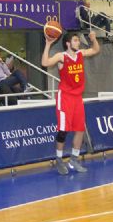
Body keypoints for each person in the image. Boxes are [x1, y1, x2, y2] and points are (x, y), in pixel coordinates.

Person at [41, 30, 100, 175]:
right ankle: (59, 160)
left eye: (78, 40)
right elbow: (45, 63)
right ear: (68, 43)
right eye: (75, 40)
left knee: (79, 129)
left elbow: (96, 50)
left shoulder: (80, 54)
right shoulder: (61, 56)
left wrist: (93, 39)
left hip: (77, 97)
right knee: (63, 130)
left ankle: (74, 159)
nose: (78, 42)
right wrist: (48, 44)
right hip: (65, 97)